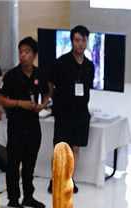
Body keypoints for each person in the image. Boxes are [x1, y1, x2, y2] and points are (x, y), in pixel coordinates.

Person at [0, 37, 50, 208]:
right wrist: (20, 103)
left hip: (33, 126)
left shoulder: (40, 74)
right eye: (20, 51)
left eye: (27, 52)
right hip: (16, 126)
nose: (23, 55)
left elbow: (48, 93)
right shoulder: (12, 75)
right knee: (13, 164)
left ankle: (28, 196)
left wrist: (43, 105)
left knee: (30, 164)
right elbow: (1, 99)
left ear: (34, 55)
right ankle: (13, 199)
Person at [47, 25, 93, 193]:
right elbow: (50, 83)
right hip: (64, 112)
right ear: (72, 41)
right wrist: (53, 98)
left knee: (75, 148)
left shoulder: (89, 65)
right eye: (77, 40)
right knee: (61, 149)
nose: (80, 44)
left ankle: (69, 179)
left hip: (81, 113)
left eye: (83, 40)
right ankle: (55, 180)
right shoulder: (62, 62)